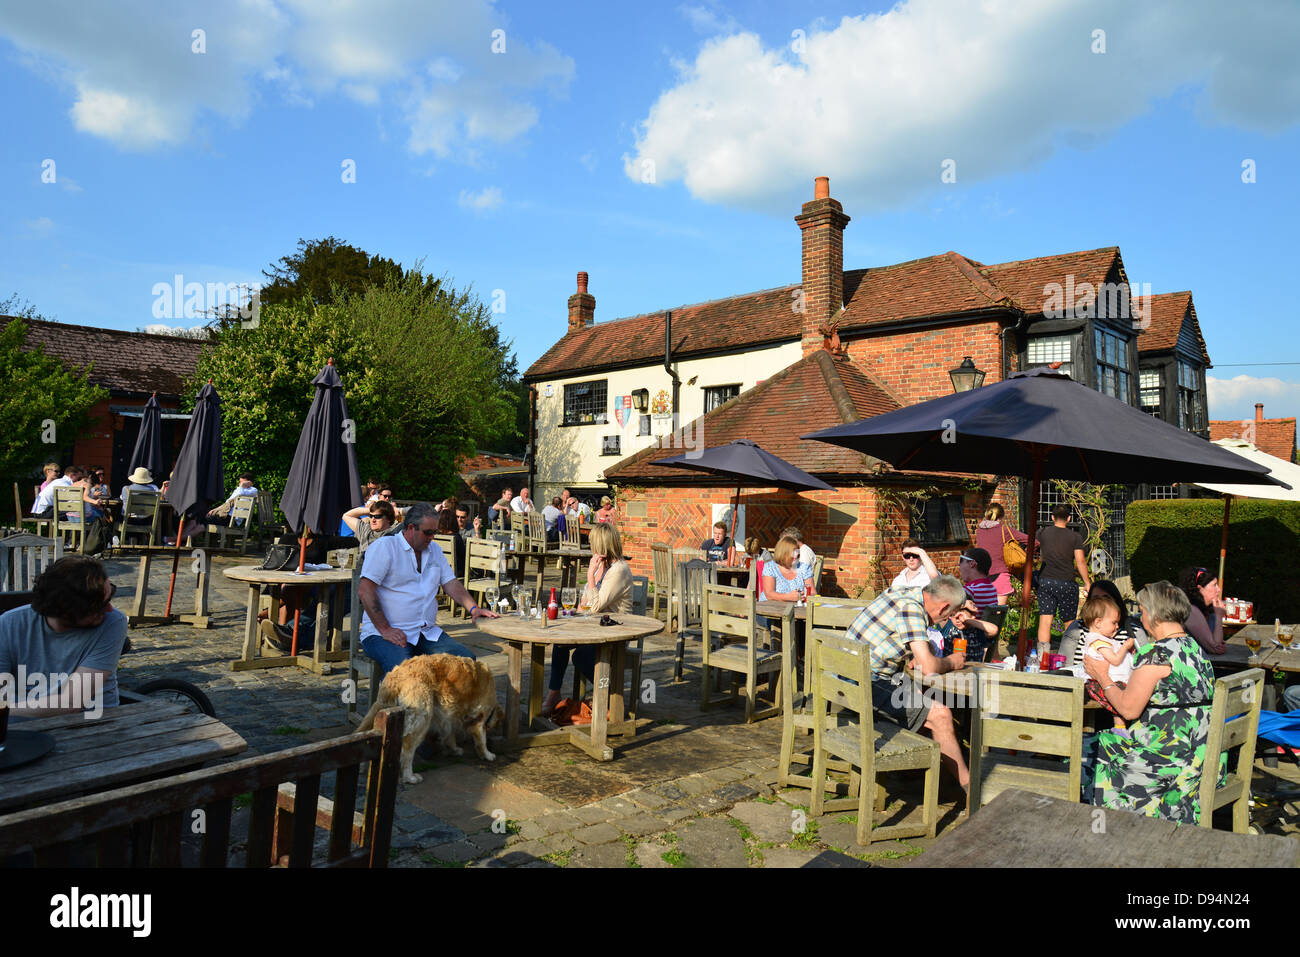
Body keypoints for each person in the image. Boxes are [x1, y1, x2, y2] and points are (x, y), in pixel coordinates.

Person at [1082, 581, 1225, 824]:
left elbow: (1128, 708)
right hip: (1202, 760)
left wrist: (1102, 676)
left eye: (1142, 611)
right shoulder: (1195, 649)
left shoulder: (1155, 654)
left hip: (1164, 765)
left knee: (1084, 749)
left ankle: (1105, 831)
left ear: (1155, 615)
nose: (1141, 617)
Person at [846, 575, 971, 788]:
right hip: (863, 684)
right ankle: (970, 790)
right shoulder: (912, 610)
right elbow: (930, 667)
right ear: (943, 608)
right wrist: (952, 661)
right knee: (940, 714)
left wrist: (920, 653)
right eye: (949, 616)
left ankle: (915, 770)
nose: (946, 621)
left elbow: (919, 650)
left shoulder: (904, 593)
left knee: (923, 695)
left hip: (849, 676)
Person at [357, 503, 497, 680]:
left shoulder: (434, 551)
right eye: (428, 532)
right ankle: (397, 707)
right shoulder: (386, 547)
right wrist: (385, 629)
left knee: (466, 662)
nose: (432, 537)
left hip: (424, 633)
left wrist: (474, 609)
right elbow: (365, 590)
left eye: (435, 532)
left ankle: (443, 705)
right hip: (381, 634)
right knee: (408, 675)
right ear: (410, 528)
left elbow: (451, 583)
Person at [0, 556, 126, 714]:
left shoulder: (112, 622)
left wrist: (5, 712)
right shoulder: (9, 624)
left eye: (110, 594)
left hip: (91, 726)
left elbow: (72, 701)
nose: (110, 609)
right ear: (68, 612)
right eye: (101, 605)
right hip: (24, 727)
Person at [542, 522, 633, 716]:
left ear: (602, 545)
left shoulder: (619, 570)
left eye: (592, 543)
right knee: (560, 643)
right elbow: (584, 604)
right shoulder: (602, 566)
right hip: (595, 628)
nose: (590, 547)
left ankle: (610, 696)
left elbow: (595, 605)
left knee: (580, 656)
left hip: (615, 633)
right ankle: (554, 694)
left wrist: (590, 575)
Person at [1035, 504, 1091, 659]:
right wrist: (1087, 582)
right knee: (1069, 622)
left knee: (1045, 620)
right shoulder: (1075, 537)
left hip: (1046, 581)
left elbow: (1033, 549)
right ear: (1069, 518)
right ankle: (1069, 658)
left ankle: (1042, 659)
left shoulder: (1042, 533)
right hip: (1067, 582)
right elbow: (1080, 561)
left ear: (1052, 517)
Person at [1078, 590, 1136, 731]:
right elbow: (1115, 660)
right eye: (1114, 622)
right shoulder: (1098, 642)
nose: (1117, 626)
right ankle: (1120, 729)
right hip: (1101, 682)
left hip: (1114, 679)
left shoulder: (1104, 639)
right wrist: (1126, 647)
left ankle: (1121, 728)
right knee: (1120, 699)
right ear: (1098, 622)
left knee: (1123, 696)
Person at [1061, 580, 1148, 671]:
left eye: (1106, 598)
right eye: (1096, 599)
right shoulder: (1077, 628)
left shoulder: (1133, 631)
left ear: (1116, 600)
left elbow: (1147, 665)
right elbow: (1064, 664)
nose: (1102, 603)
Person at [974, 503, 1028, 606]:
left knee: (983, 616)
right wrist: (1023, 553)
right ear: (1001, 516)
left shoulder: (979, 530)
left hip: (982, 577)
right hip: (1000, 576)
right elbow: (1033, 542)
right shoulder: (1004, 530)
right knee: (997, 616)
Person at [1177, 566, 1227, 656]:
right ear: (1200, 588)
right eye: (1214, 585)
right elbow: (1216, 648)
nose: (1219, 590)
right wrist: (1219, 617)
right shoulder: (1191, 611)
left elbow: (1217, 644)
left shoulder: (1207, 611)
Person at [760, 534, 814, 602]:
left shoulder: (804, 568)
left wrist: (804, 597)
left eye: (797, 552)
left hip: (798, 609)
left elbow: (813, 593)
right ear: (783, 553)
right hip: (770, 609)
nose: (795, 556)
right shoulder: (770, 567)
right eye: (792, 553)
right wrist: (789, 597)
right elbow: (769, 594)